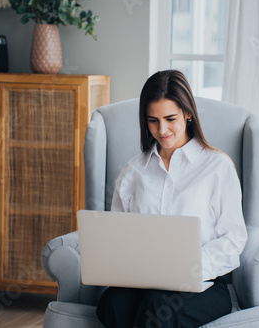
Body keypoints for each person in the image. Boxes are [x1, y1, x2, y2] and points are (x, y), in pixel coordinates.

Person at [96, 70, 247, 328]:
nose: (161, 130)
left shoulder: (217, 167)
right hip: (142, 280)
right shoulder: (134, 171)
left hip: (205, 284)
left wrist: (187, 271)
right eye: (152, 120)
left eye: (170, 118)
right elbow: (118, 236)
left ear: (188, 114)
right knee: (112, 303)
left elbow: (233, 240)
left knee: (157, 307)